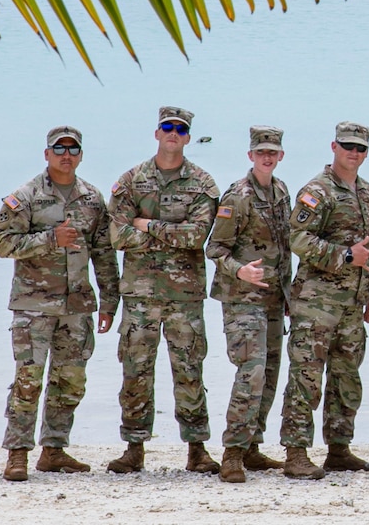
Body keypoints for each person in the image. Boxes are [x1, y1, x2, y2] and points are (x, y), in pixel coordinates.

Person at [0, 125, 119, 481]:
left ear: (81, 155)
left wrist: (109, 301)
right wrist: (51, 238)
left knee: (70, 382)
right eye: (59, 149)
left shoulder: (93, 199)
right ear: (46, 154)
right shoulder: (26, 196)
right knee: (28, 380)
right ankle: (17, 453)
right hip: (34, 305)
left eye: (73, 149)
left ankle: (54, 450)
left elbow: (104, 254)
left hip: (77, 307)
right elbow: (3, 245)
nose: (66, 155)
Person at [106, 106, 222, 474]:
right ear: (156, 133)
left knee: (189, 370)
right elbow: (118, 235)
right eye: (167, 127)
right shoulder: (130, 181)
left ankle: (197, 449)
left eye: (180, 129)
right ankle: (134, 447)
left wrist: (147, 224)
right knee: (135, 370)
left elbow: (196, 237)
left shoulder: (203, 184)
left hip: (184, 296)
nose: (173, 133)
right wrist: (168, 233)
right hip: (140, 295)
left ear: (187, 138)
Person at [277, 122, 369, 478]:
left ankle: (339, 449)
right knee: (306, 378)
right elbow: (298, 239)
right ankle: (295, 453)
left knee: (346, 379)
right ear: (334, 147)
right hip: (317, 303)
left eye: (361, 149)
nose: (354, 153)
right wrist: (345, 256)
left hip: (353, 304)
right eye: (348, 146)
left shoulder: (365, 191)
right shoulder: (317, 191)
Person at [205, 125, 292, 482]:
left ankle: (253, 447)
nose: (267, 158)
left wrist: (287, 294)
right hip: (242, 301)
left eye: (273, 152)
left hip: (272, 299)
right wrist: (240, 271)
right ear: (250, 156)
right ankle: (233, 453)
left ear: (281, 156)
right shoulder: (237, 197)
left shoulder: (281, 191)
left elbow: (284, 250)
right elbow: (215, 248)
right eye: (261, 153)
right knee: (251, 373)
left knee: (269, 374)